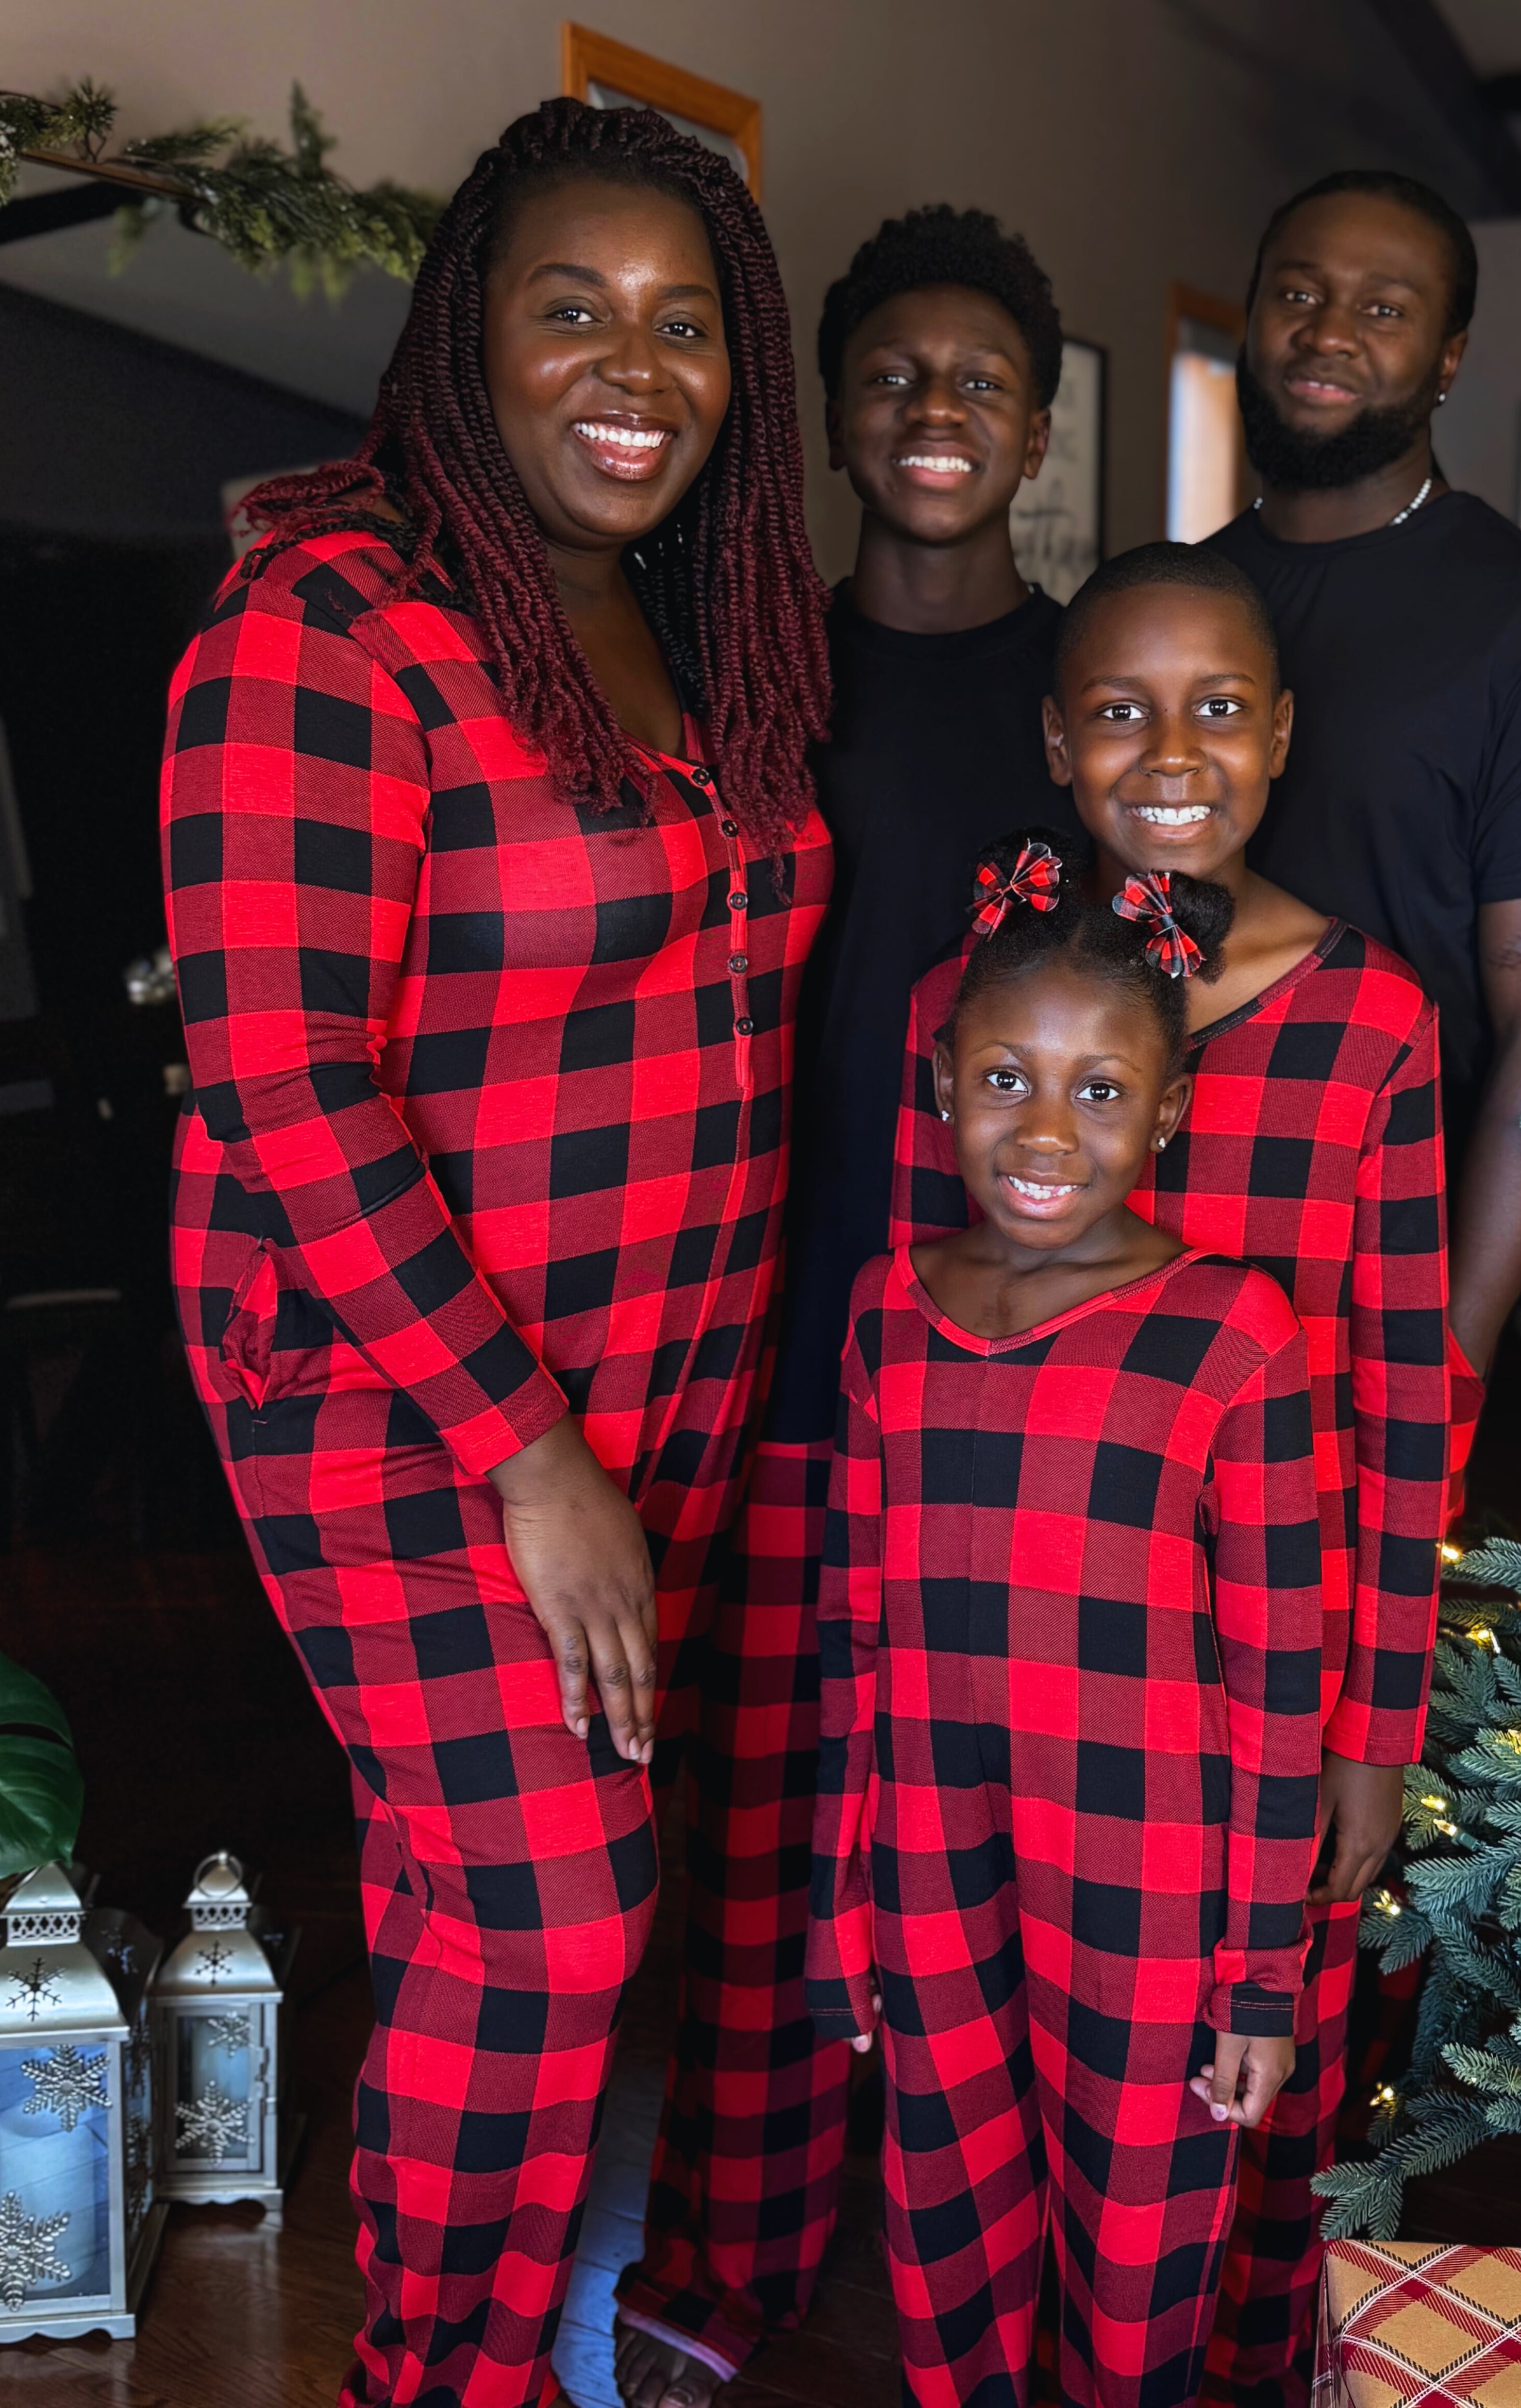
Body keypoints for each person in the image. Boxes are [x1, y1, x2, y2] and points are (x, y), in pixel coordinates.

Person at [161, 97, 831, 2408]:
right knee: (550, 1920)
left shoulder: (687, 614)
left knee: (503, 1899)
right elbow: (283, 1076)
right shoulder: (330, 617)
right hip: (407, 1390)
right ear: (473, 336)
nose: (630, 367)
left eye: (685, 323)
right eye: (573, 308)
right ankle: (428, 2380)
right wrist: (531, 1450)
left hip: (670, 1380)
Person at [890, 548, 1451, 2408]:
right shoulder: (968, 1010)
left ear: (1281, 738)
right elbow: (909, 1373)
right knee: (980, 2144)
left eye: (1216, 709)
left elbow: (1396, 1398)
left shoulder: (1368, 1027)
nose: (1170, 752)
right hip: (994, 1714)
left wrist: (1369, 1731)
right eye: (1120, 711)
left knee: (1213, 2127)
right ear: (1058, 743)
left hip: (1234, 1726)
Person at [616, 206, 1073, 2404]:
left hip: (1017, 1372)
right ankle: (731, 2250)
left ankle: (986, 2251)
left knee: (991, 1837)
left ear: (1042, 427)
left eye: (979, 380)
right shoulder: (747, 674)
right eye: (891, 376)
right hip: (774, 1348)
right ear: (829, 424)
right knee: (770, 1845)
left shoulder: (1101, 697)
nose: (934, 416)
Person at [811, 848, 1322, 2408]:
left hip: (1155, 1897)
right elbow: (855, 1649)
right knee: (946, 2218)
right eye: (1004, 1081)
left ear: (1164, 1114)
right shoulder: (888, 1308)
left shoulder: (1231, 1331)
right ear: (944, 1084)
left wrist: (1256, 1985)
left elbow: (1280, 1683)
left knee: (1139, 2248)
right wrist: (848, 1916)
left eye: (1100, 1092)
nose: (1044, 1133)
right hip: (931, 1875)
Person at [1207, 167, 1521, 1401]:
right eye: (1297, 292)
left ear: (1449, 359)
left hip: (1371, 1273)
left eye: (1384, 308)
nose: (1328, 330)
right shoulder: (1174, 603)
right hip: (1142, 1232)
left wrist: (1450, 1348)